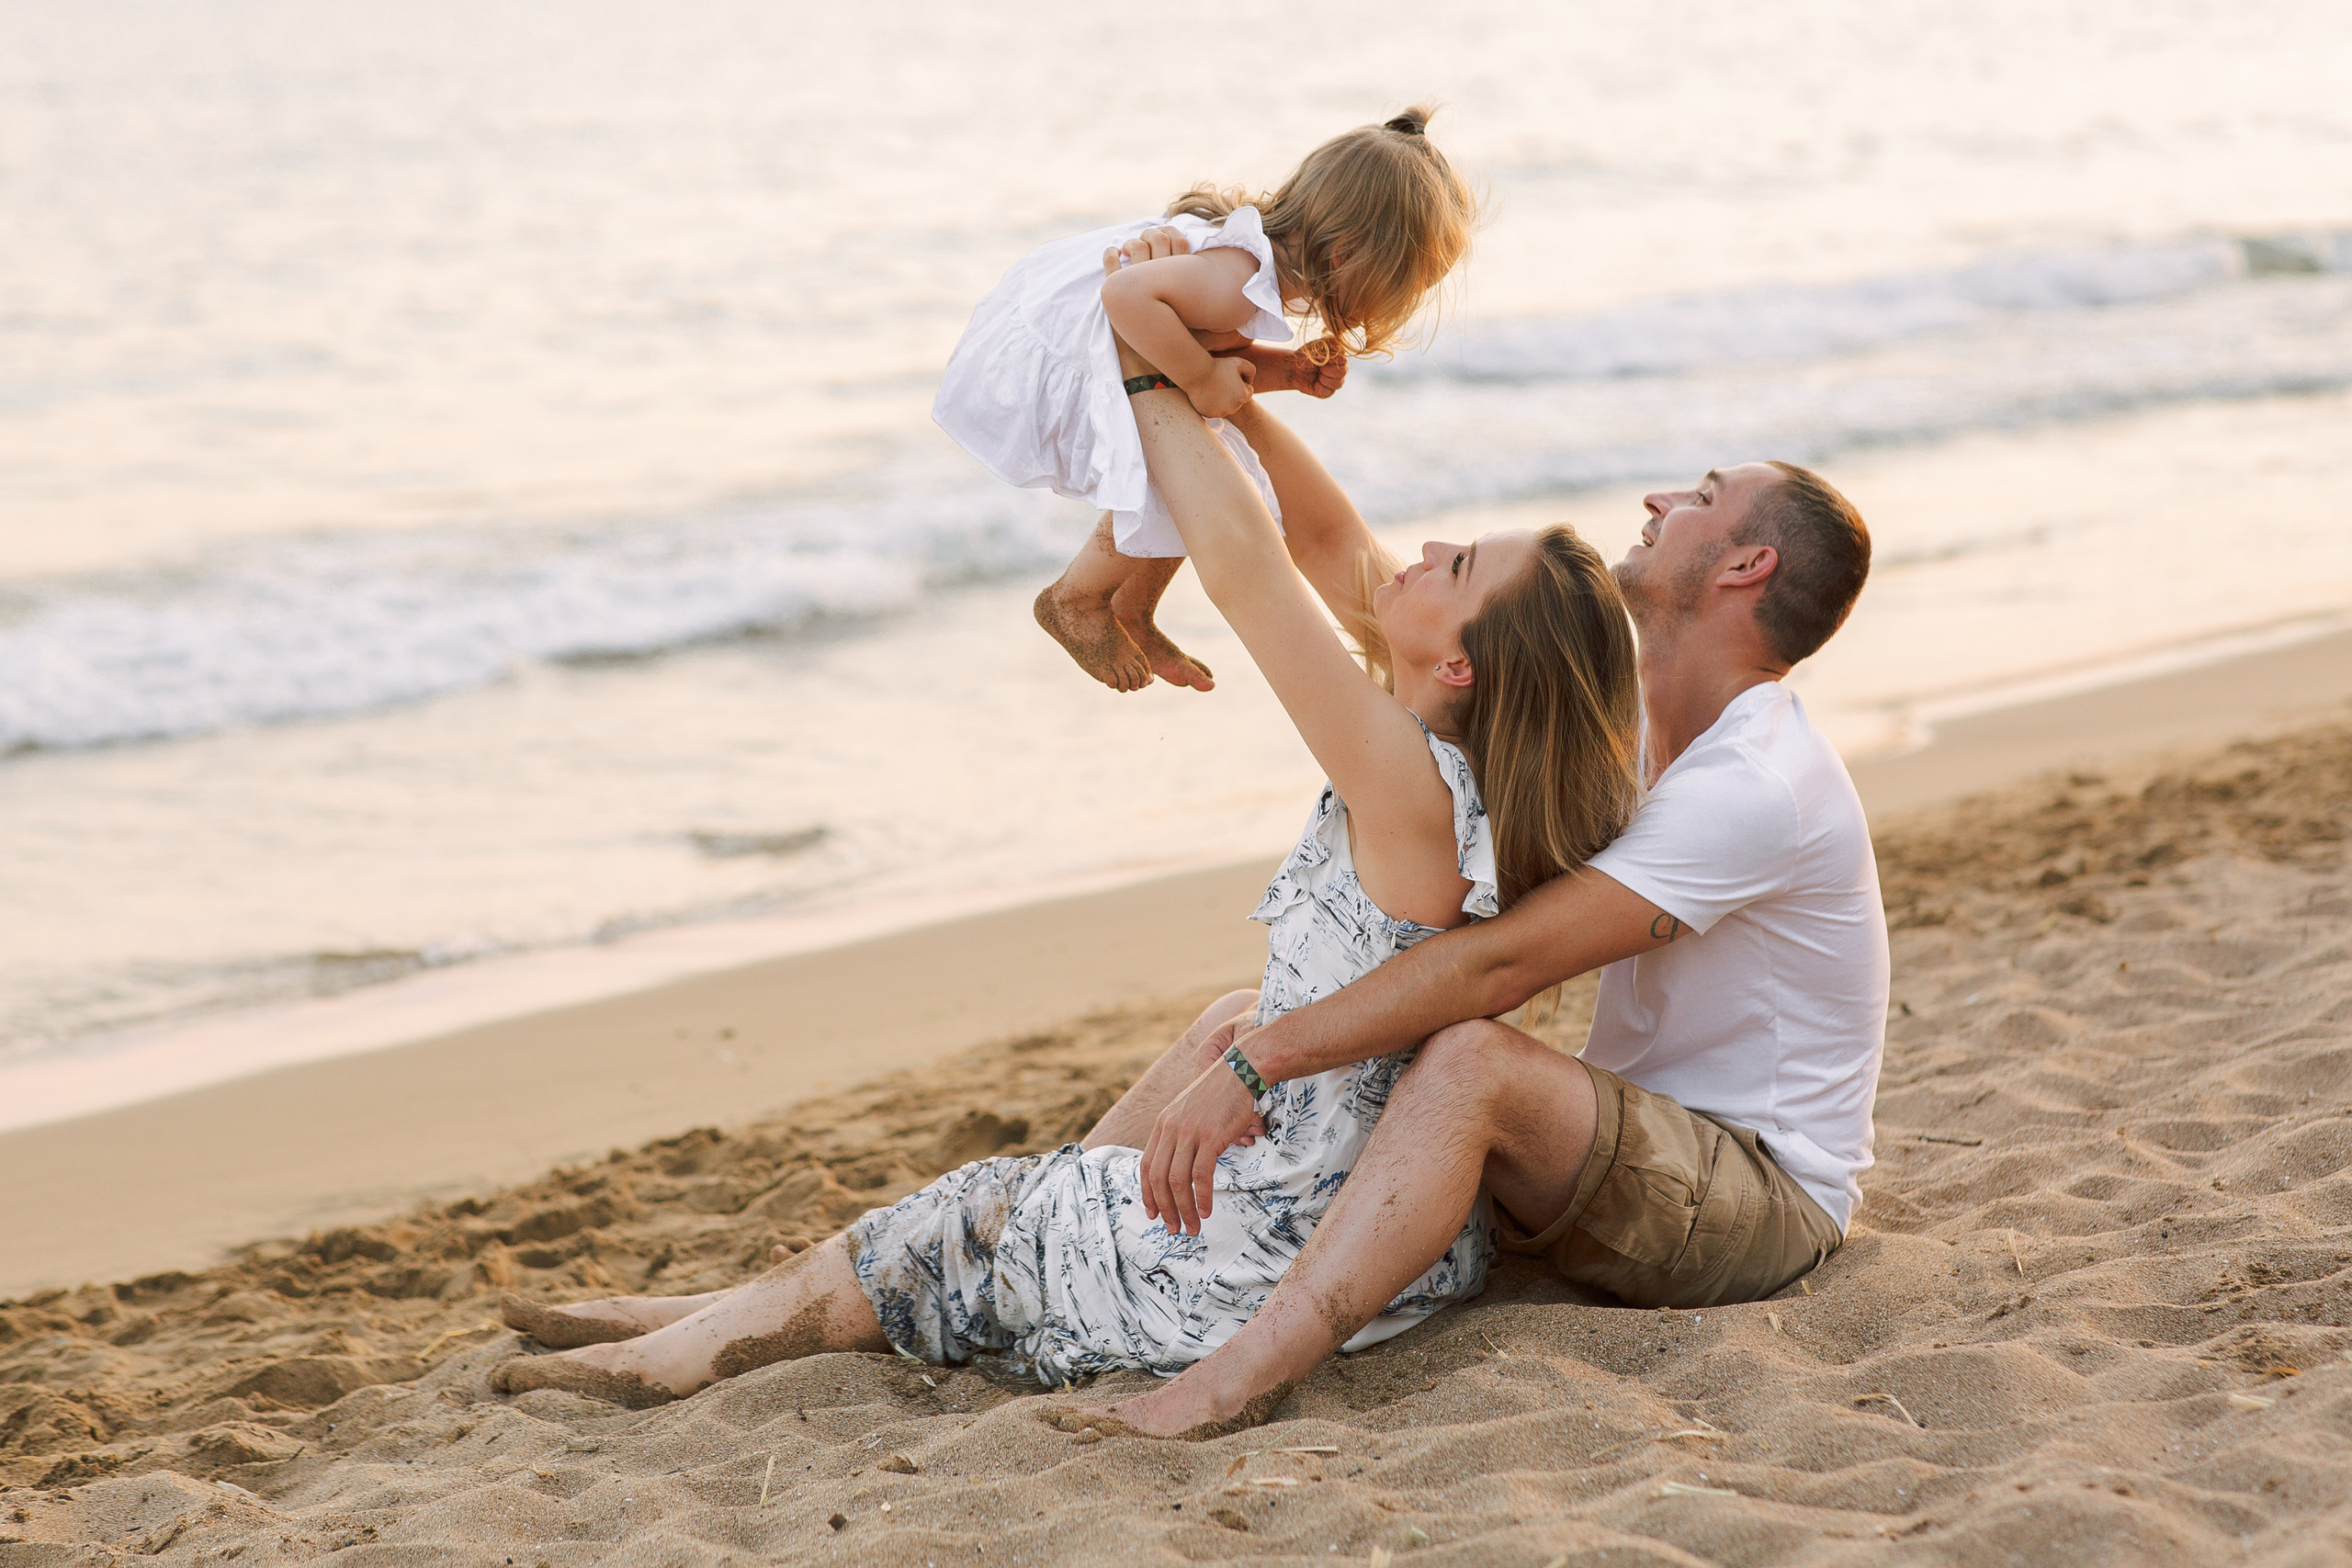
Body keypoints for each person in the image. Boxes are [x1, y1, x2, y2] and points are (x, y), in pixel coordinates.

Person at [489, 246, 1638, 1410]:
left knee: (958, 1216)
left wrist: (1142, 367)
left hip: (1257, 1255)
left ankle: (667, 1359)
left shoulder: (1406, 785)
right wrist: (1218, 383)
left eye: (1458, 565)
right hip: (1339, 1202)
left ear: (1460, 660)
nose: (1425, 550)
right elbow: (1315, 533)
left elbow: (1244, 564)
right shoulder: (1436, 755)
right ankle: (735, 1307)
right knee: (1219, 1026)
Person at [1079, 452, 1886, 1438]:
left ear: (1744, 566)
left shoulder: (1755, 784)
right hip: (1626, 1148)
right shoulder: (1628, 727)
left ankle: (1228, 1383)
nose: (1659, 499)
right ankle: (1061, 1219)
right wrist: (1231, 394)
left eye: (1702, 501)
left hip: (1759, 1198)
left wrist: (1262, 1065)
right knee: (1236, 1019)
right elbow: (1351, 565)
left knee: (1465, 1065)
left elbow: (1499, 966)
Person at [932, 106, 1476, 695]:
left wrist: (1287, 372)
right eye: (1404, 287)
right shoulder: (1234, 282)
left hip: (1096, 343)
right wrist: (1197, 381)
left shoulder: (1249, 275)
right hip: (1057, 357)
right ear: (1345, 256)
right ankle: (1077, 597)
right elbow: (1127, 297)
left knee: (1209, 459)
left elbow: (1206, 355)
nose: (1399, 305)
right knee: (1203, 466)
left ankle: (1132, 608)